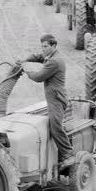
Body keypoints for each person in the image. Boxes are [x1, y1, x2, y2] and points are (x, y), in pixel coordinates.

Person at [15, 35, 76, 173]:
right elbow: (37, 56)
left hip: (56, 99)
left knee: (55, 127)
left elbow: (38, 77)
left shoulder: (55, 61)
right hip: (53, 98)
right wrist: (25, 59)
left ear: (54, 46)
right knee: (52, 125)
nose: (43, 49)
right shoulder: (50, 56)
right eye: (42, 46)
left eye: (46, 46)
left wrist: (25, 69)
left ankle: (69, 155)